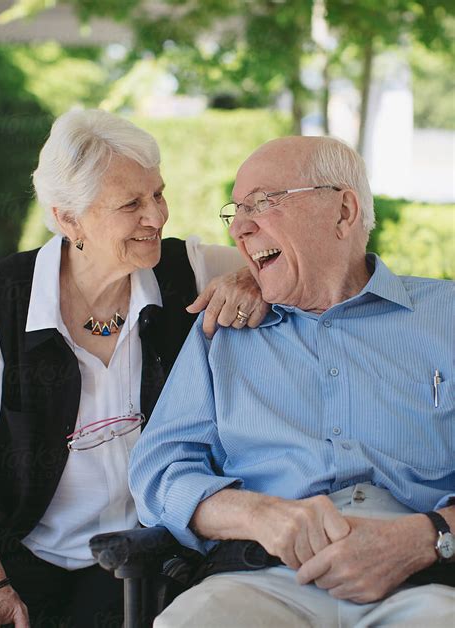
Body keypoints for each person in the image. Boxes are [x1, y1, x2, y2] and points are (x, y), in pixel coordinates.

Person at [130, 136, 455, 627]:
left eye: (262, 203)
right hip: (259, 581)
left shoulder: (445, 315)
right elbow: (159, 472)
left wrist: (426, 537)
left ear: (343, 211)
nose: (240, 228)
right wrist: (258, 515)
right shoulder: (224, 330)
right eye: (235, 211)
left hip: (424, 580)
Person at [0, 109, 269, 627]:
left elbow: (290, 267)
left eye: (157, 193)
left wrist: (252, 280)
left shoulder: (190, 269)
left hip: (159, 555)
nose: (157, 217)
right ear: (69, 219)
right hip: (20, 561)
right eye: (131, 204)